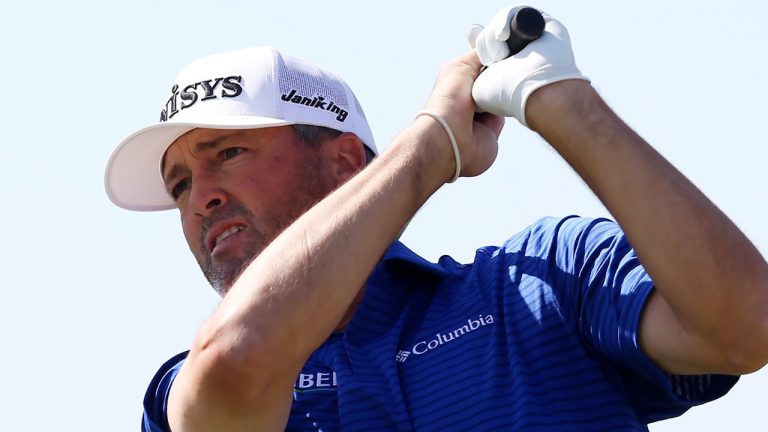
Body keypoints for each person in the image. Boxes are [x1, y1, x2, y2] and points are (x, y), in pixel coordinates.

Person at [105, 5, 768, 432]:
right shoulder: (178, 390)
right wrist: (428, 150)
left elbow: (746, 327)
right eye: (182, 182)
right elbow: (236, 357)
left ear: (342, 163)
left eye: (227, 152)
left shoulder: (544, 284)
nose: (200, 197)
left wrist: (565, 106)